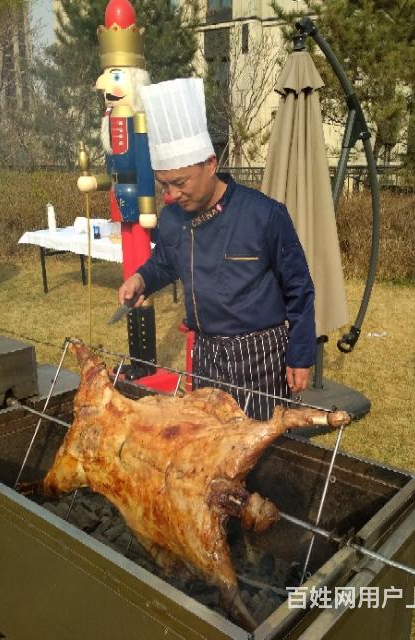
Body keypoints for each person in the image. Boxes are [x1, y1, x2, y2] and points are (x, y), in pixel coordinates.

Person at [119, 78, 317, 420]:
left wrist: (300, 354)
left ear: (210, 164)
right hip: (206, 352)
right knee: (208, 443)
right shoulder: (172, 218)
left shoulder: (265, 215)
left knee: (257, 448)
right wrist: (141, 279)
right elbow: (166, 261)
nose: (172, 195)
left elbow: (299, 289)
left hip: (259, 355)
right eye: (164, 184)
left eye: (180, 183)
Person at [77, 0, 158, 378]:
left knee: (141, 278)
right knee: (129, 277)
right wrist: (97, 182)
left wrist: (147, 205)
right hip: (120, 208)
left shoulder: (138, 121)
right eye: (106, 74)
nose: (103, 84)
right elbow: (117, 169)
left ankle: (146, 361)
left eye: (116, 75)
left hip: (138, 211)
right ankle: (136, 357)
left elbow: (144, 168)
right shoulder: (111, 123)